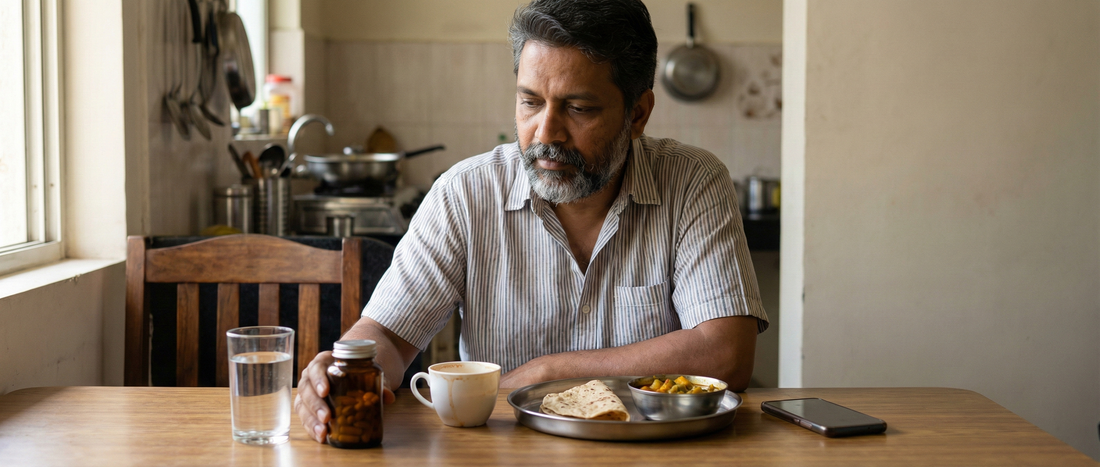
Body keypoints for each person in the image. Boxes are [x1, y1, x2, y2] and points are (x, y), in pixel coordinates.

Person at [295, 0, 768, 443]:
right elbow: (388, 336)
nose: (546, 133)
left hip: (656, 451)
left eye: (578, 108)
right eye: (530, 102)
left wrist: (549, 373)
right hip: (504, 451)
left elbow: (726, 354)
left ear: (638, 113)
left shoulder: (692, 182)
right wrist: (340, 368)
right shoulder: (466, 194)